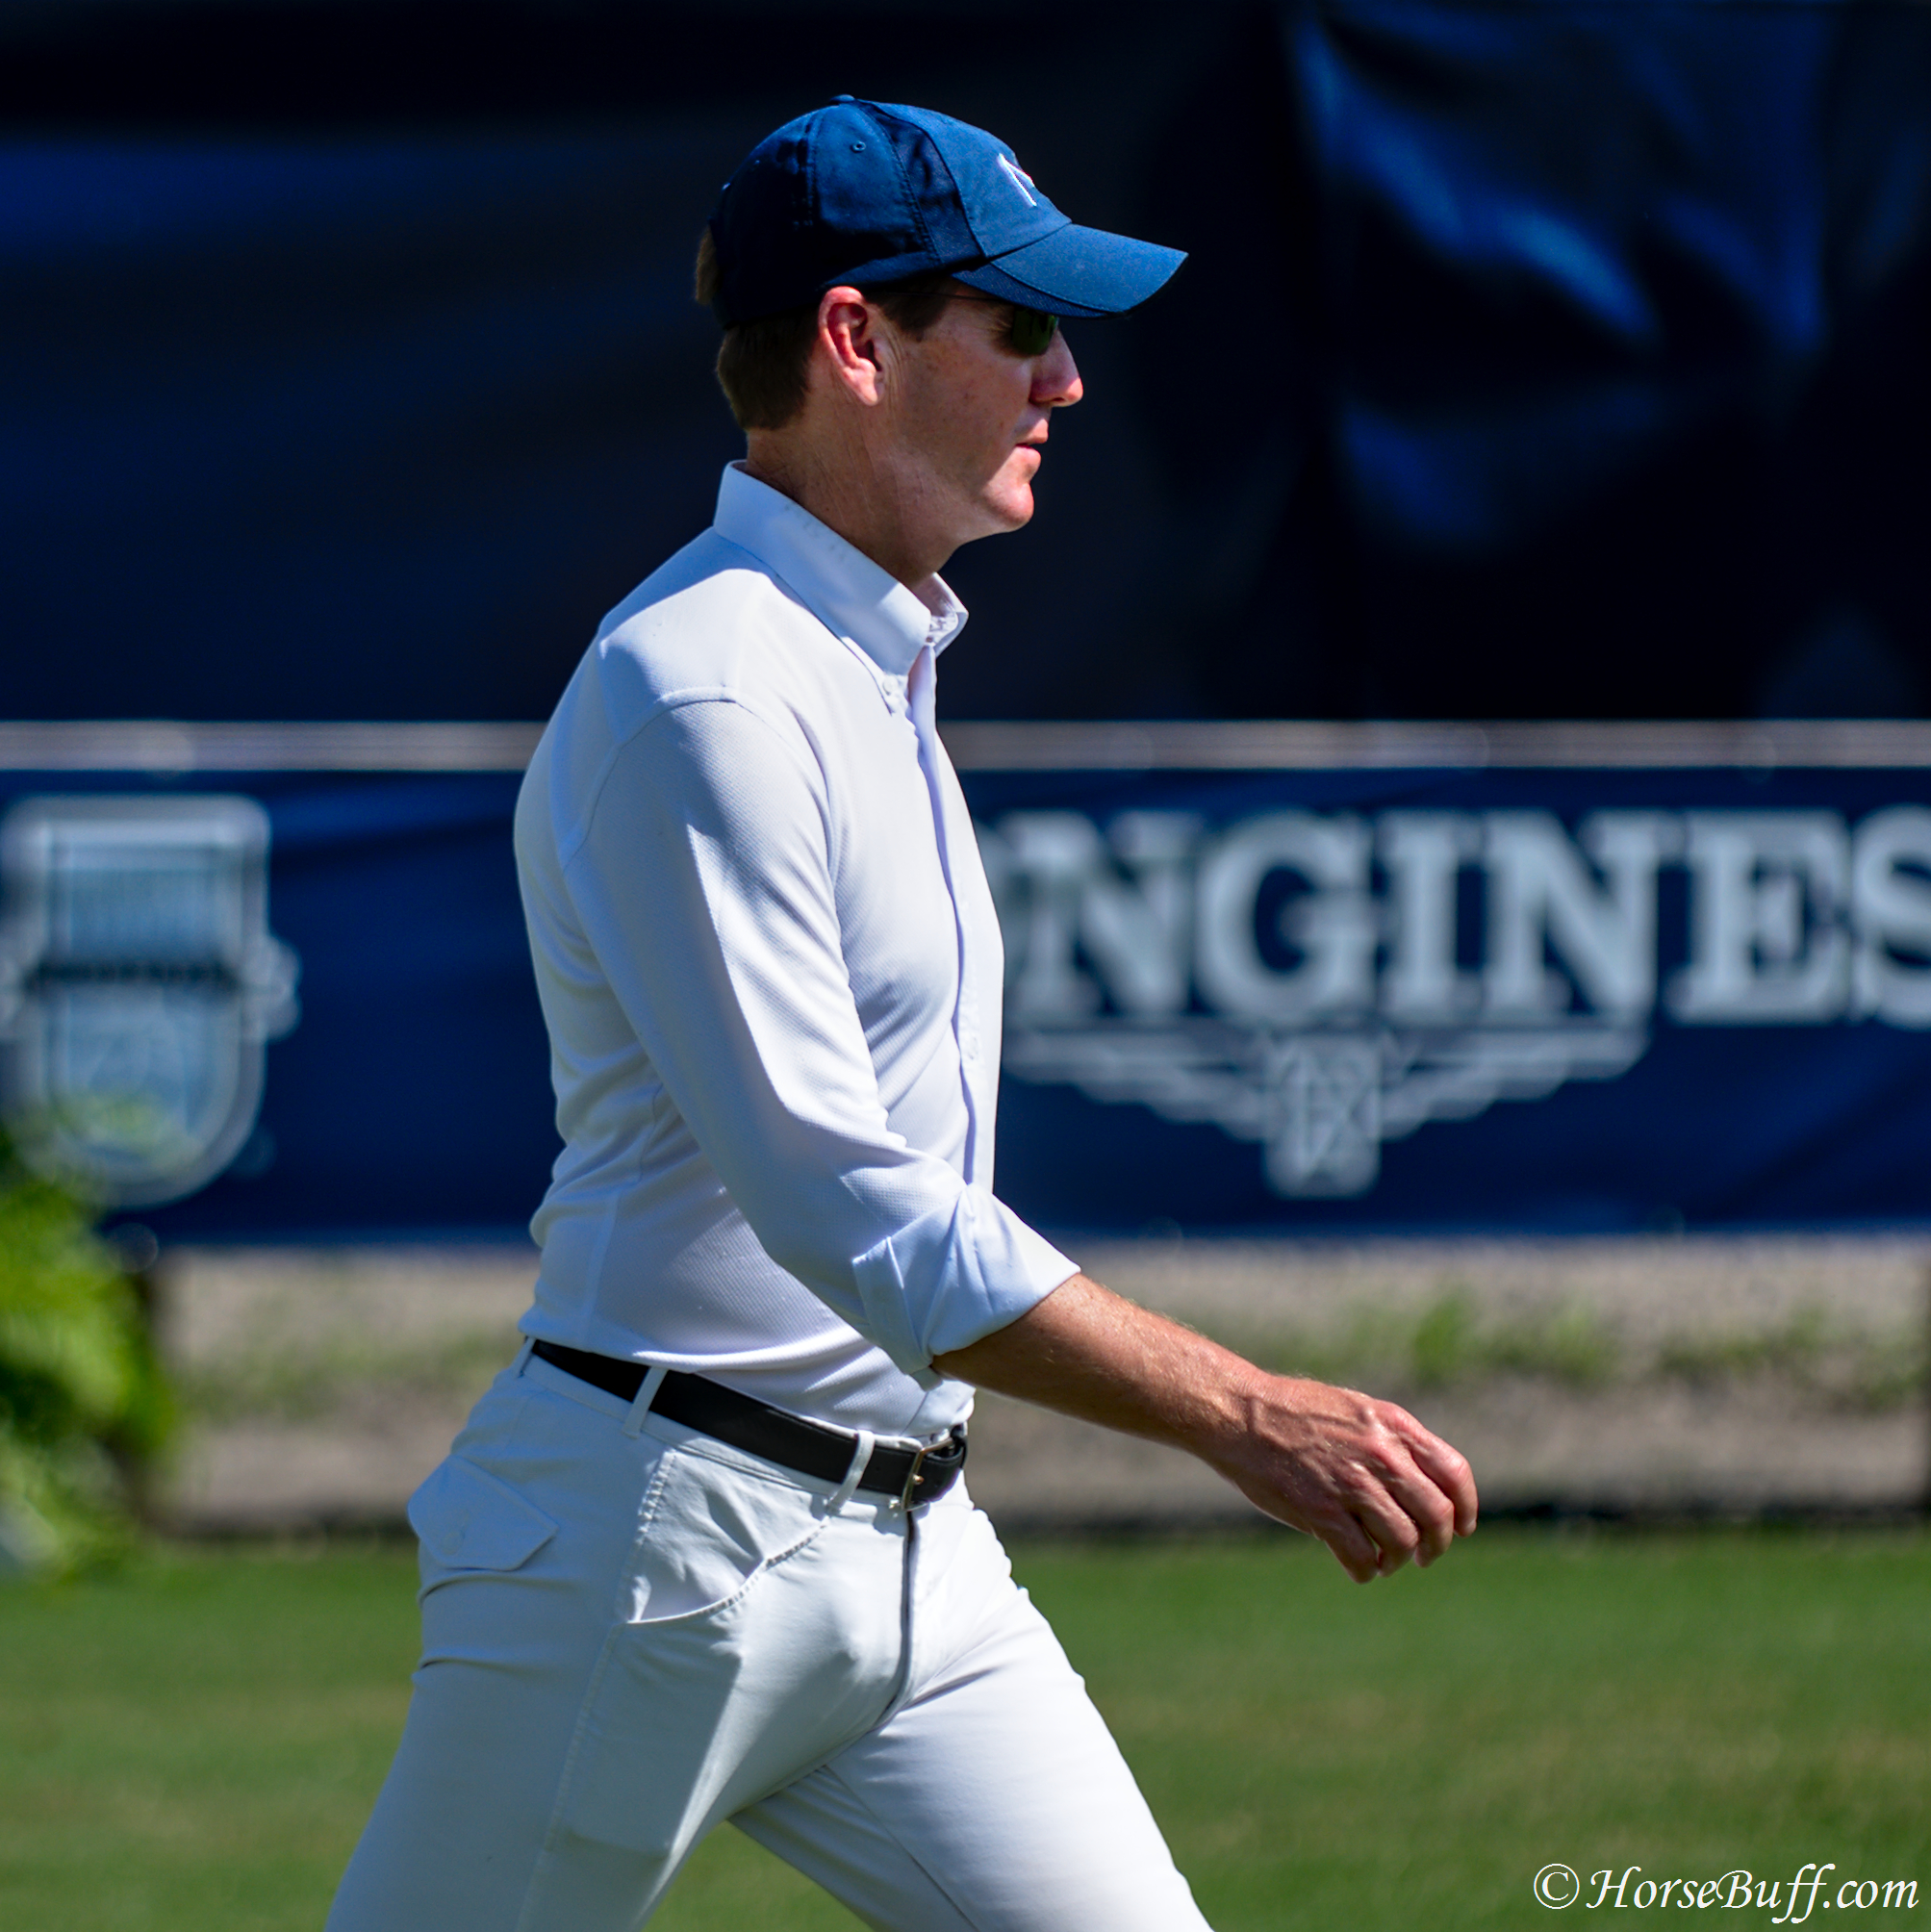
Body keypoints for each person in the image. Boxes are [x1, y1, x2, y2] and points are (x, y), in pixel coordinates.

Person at [325, 95, 1477, 1932]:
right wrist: (1243, 1410)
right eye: (1020, 327)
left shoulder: (864, 659)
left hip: (913, 1547)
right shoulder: (703, 690)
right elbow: (841, 1200)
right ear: (857, 341)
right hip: (653, 1545)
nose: (1068, 383)